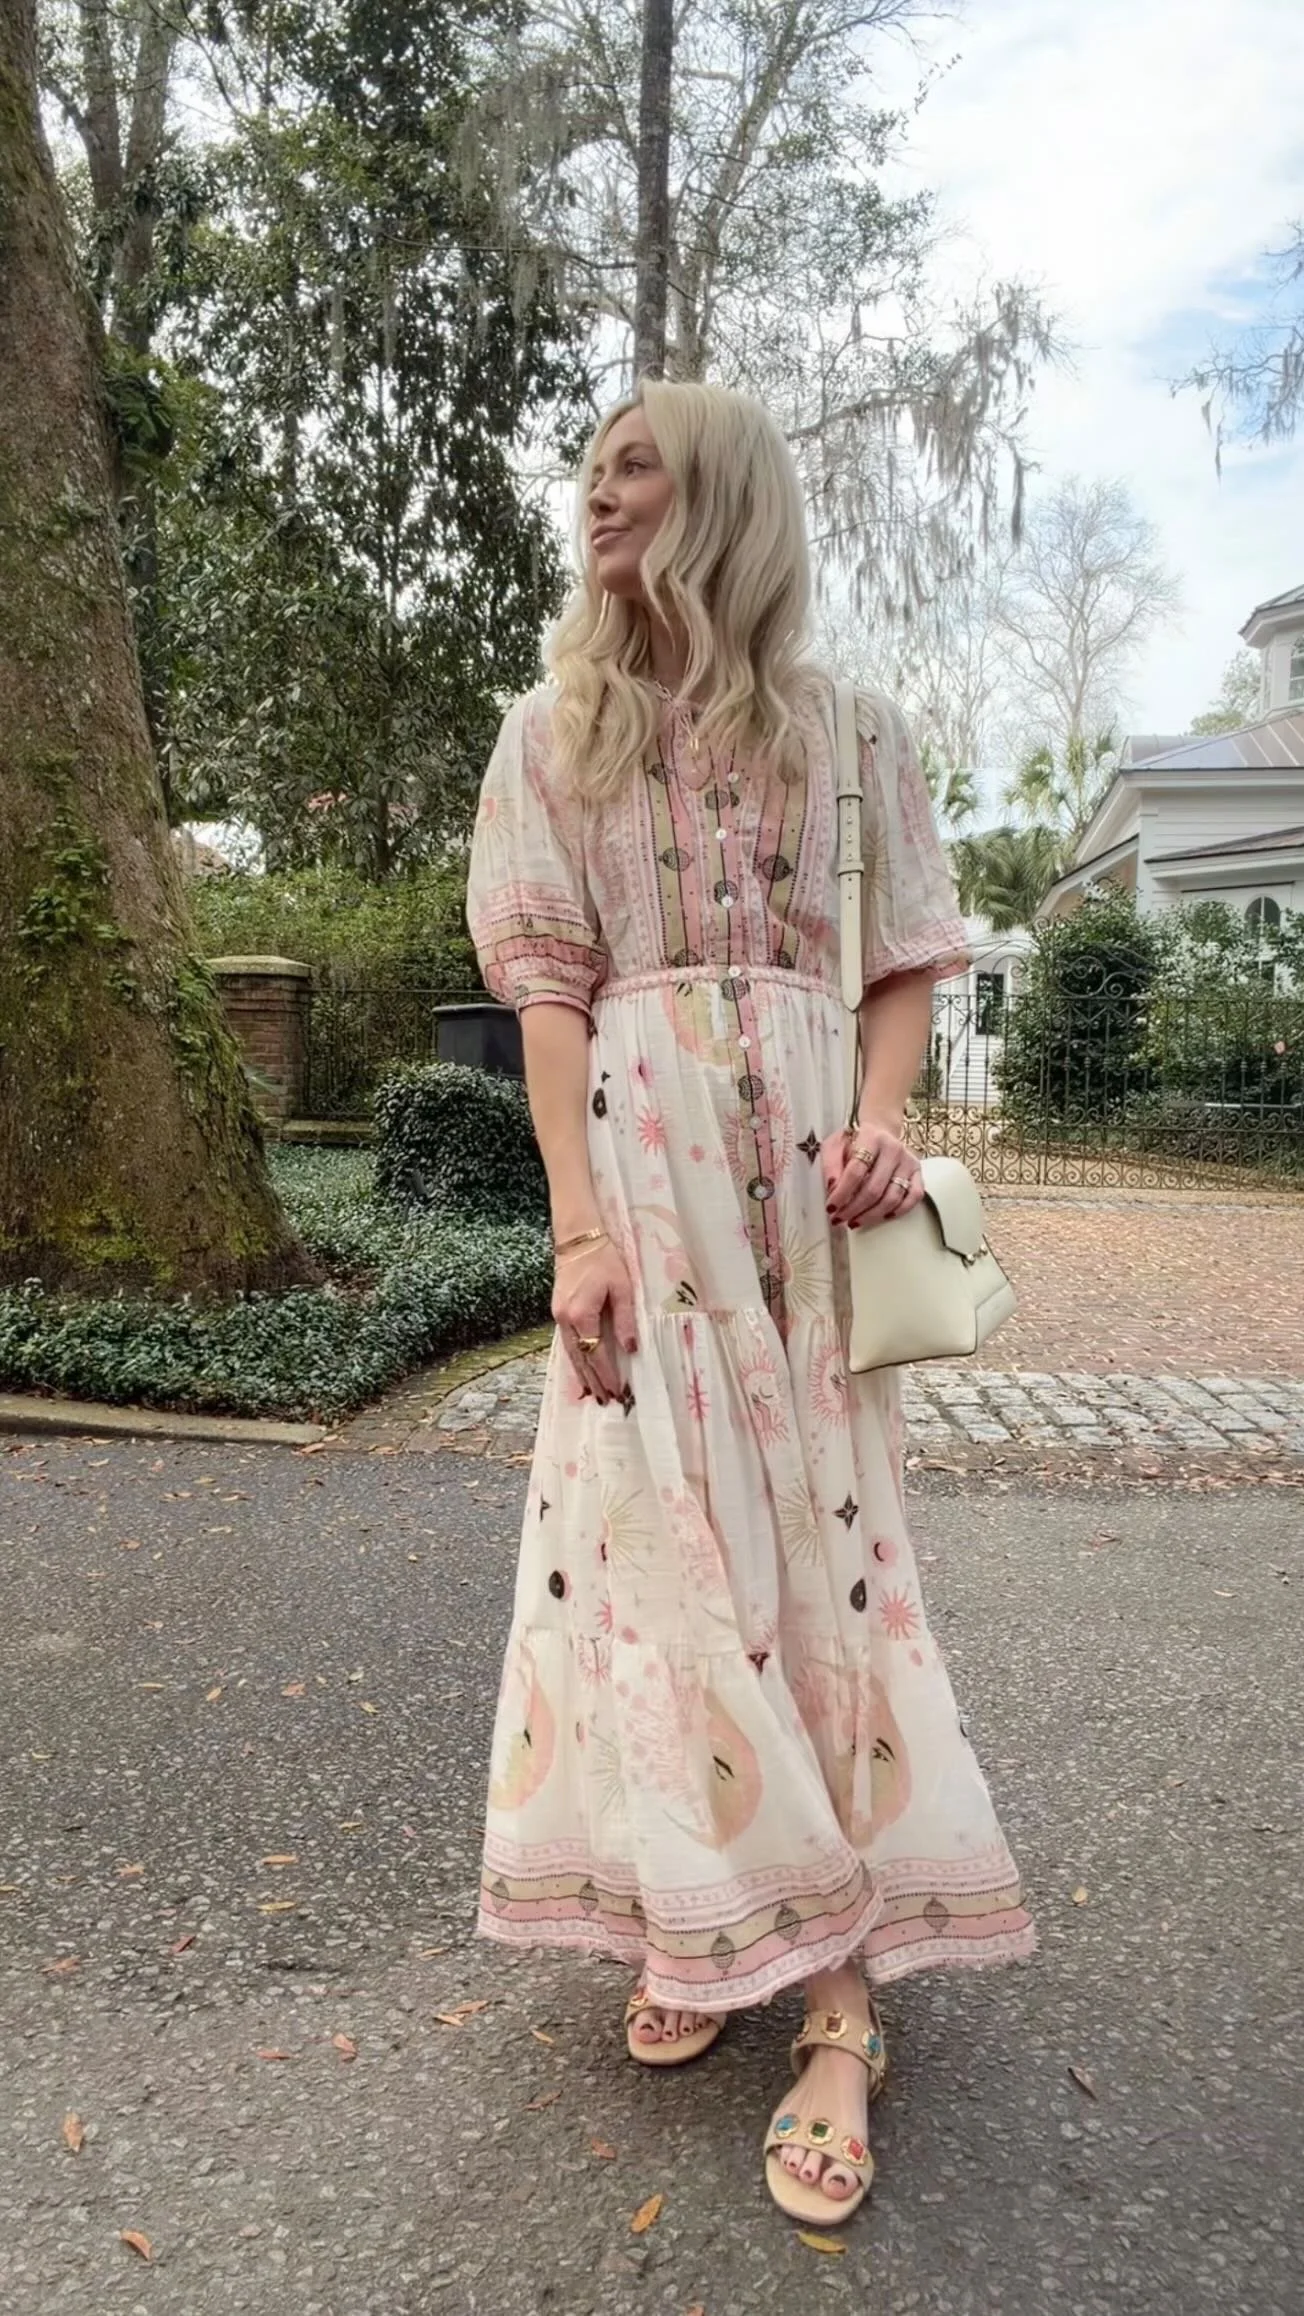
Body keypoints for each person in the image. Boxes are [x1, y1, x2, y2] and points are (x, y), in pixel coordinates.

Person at [466, 380, 1034, 2227]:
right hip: (645, 1194)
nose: (600, 493)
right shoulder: (554, 735)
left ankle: (842, 2007)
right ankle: (705, 1912)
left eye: (637, 465)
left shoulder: (853, 735)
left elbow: (905, 961)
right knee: (657, 1555)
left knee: (816, 1562)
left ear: (722, 498)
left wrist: (884, 1120)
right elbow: (551, 1000)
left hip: (802, 1200)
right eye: (593, 467)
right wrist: (578, 1231)